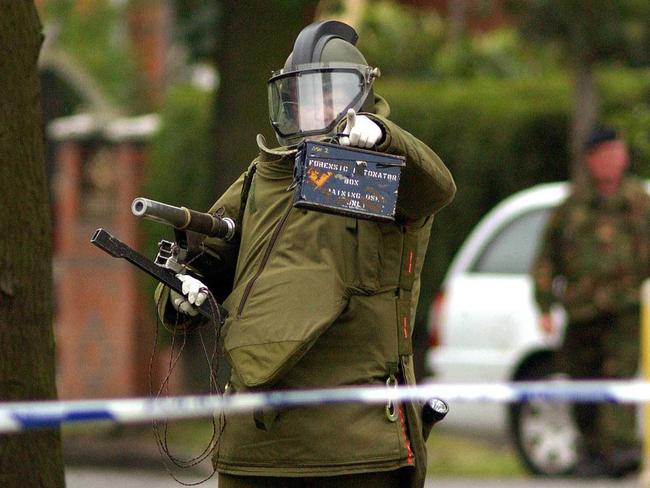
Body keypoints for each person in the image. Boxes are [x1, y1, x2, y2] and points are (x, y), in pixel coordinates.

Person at [155, 20, 455, 488]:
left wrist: (383, 139)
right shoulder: (262, 177)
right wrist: (178, 292)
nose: (318, 109)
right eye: (306, 97)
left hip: (357, 450)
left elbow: (435, 188)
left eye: (330, 94)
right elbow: (204, 262)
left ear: (361, 96)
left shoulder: (382, 175)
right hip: (254, 448)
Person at [532, 125, 650, 477]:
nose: (612, 162)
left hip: (624, 309)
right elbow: (546, 258)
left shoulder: (639, 203)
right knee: (582, 379)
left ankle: (622, 450)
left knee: (619, 377)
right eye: (604, 156)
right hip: (581, 310)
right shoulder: (572, 205)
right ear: (590, 161)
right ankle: (594, 450)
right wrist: (544, 305)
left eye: (617, 153)